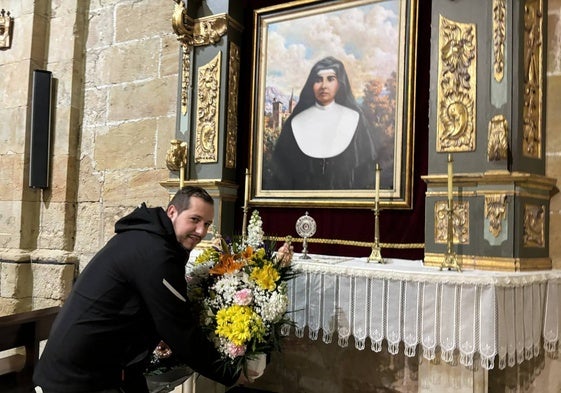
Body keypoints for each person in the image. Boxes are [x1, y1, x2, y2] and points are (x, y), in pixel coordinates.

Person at [33, 186, 251, 393]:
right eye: (194, 220)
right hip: (78, 377)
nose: (201, 231)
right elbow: (180, 330)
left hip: (104, 367)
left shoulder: (146, 237)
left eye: (207, 224)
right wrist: (230, 374)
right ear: (172, 212)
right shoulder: (156, 253)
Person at [266, 56, 378, 190]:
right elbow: (282, 173)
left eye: (330, 79)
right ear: (311, 85)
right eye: (318, 80)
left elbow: (366, 170)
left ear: (340, 83)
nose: (324, 86)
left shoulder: (355, 118)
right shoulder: (295, 122)